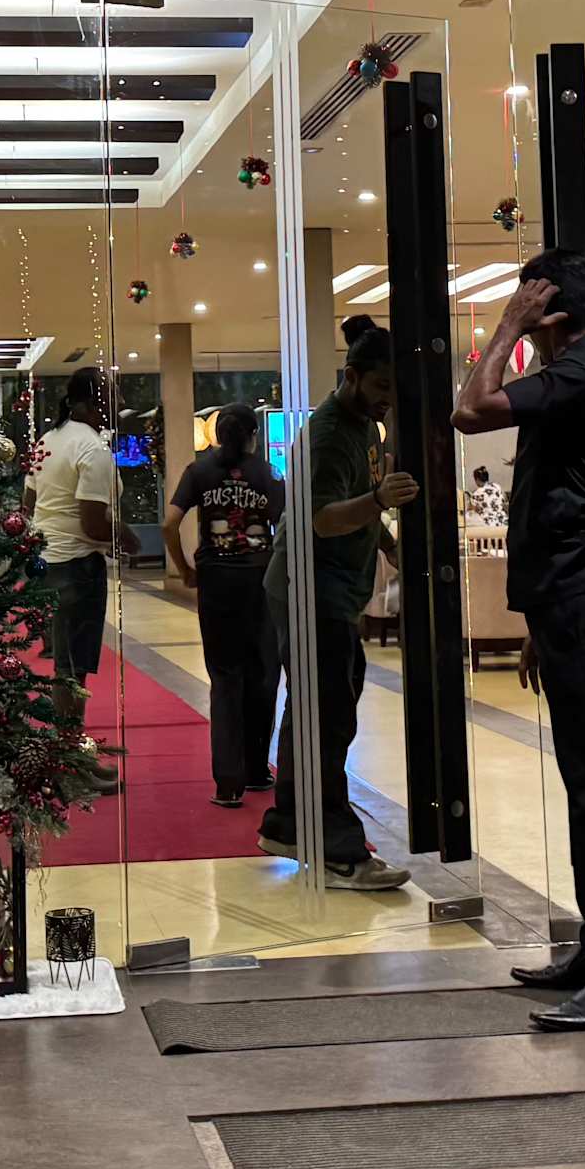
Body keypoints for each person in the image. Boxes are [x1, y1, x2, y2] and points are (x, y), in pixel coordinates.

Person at [455, 249, 585, 1033]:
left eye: (527, 304)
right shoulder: (576, 377)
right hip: (565, 601)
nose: (520, 317)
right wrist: (541, 624)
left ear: (552, 315)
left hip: (580, 595)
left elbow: (471, 410)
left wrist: (506, 327)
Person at [260, 328, 415, 891]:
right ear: (351, 376)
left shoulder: (366, 426)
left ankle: (288, 825)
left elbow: (356, 510)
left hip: (333, 590)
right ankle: (337, 848)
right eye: (381, 386)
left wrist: (388, 542)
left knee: (319, 708)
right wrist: (379, 501)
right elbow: (322, 520)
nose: (388, 399)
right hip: (309, 589)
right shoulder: (327, 435)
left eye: (394, 388)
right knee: (327, 718)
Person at [165, 405, 287, 808]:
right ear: (253, 435)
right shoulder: (268, 474)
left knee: (224, 677)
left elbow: (169, 523)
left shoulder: (199, 472)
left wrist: (184, 568)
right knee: (263, 674)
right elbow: (287, 525)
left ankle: (228, 784)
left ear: (217, 435)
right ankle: (256, 770)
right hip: (260, 582)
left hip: (216, 583)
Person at [29, 365, 127, 683]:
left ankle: (66, 716)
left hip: (49, 561)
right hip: (78, 566)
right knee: (73, 671)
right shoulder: (91, 447)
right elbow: (92, 524)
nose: (120, 400)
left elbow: (29, 504)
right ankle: (67, 717)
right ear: (92, 403)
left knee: (65, 664)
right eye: (113, 394)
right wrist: (125, 538)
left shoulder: (48, 440)